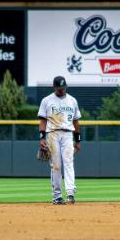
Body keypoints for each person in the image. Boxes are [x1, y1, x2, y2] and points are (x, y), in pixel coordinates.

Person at [37, 76, 82, 205]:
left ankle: (70, 193)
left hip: (68, 134)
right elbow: (43, 121)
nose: (62, 90)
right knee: (56, 165)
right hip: (52, 134)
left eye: (63, 88)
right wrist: (41, 138)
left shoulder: (72, 101)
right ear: (54, 87)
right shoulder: (47, 100)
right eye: (59, 88)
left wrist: (77, 140)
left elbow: (76, 121)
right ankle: (57, 196)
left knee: (68, 162)